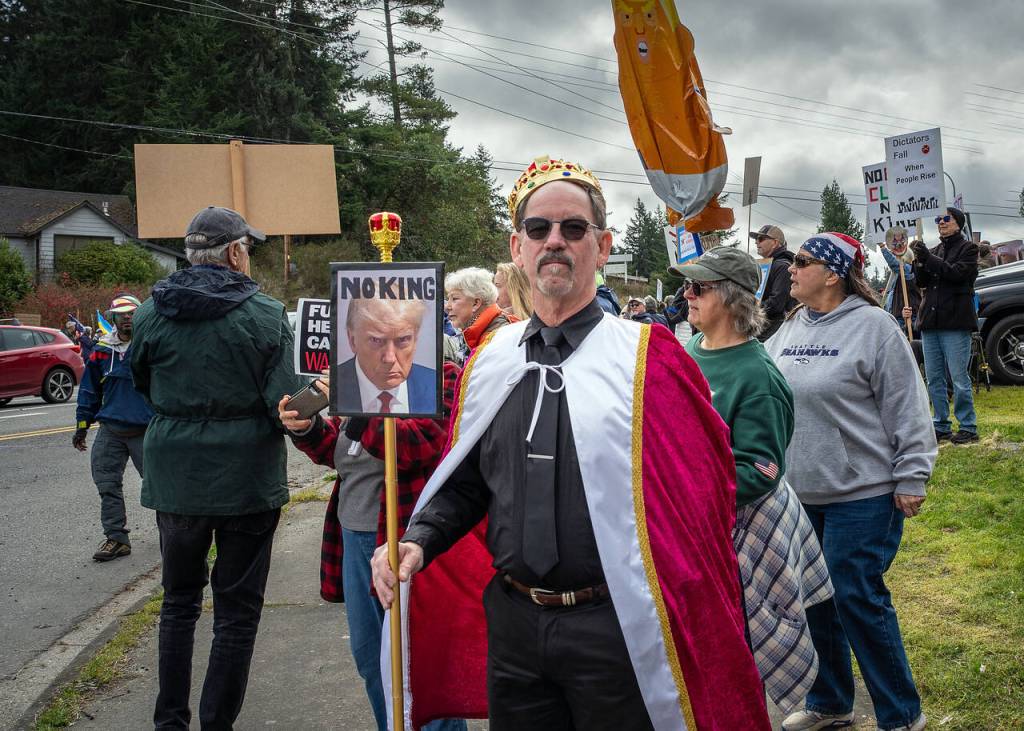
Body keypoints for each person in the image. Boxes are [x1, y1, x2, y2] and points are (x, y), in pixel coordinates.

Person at [371, 156, 770, 729]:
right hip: (515, 626)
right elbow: (469, 483)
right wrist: (418, 540)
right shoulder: (490, 362)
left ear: (602, 247)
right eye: (538, 228)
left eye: (574, 228)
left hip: (616, 629)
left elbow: (701, 498)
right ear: (518, 248)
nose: (554, 240)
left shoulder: (650, 359)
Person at [130, 205, 300, 729]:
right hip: (246, 478)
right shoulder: (266, 314)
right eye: (247, 248)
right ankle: (216, 723)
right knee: (237, 611)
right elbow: (282, 402)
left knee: (178, 603)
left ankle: (170, 721)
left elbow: (142, 384)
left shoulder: (150, 313)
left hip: (176, 475)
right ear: (235, 254)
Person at [765, 232, 935, 731]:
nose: (791, 268)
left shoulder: (875, 327)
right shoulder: (791, 325)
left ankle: (902, 714)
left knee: (854, 596)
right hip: (800, 494)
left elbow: (908, 406)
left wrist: (913, 474)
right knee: (814, 599)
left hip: (864, 493)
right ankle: (831, 702)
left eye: (802, 261)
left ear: (833, 273)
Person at [678, 247, 832, 714]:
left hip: (738, 533)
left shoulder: (759, 377)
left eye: (698, 287)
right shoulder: (690, 350)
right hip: (694, 530)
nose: (687, 295)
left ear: (731, 298)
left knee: (738, 652)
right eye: (687, 286)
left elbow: (761, 470)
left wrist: (687, 488)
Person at [278, 371, 466, 731]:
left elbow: (418, 446)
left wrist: (358, 403)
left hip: (407, 538)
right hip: (354, 537)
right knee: (372, 661)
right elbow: (340, 453)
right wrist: (307, 428)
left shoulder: (439, 377)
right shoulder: (364, 378)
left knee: (421, 665)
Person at [73, 294, 152, 562]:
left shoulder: (152, 346)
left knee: (160, 487)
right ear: (113, 318)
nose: (127, 317)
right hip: (111, 430)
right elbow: (88, 390)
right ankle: (116, 539)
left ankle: (176, 537)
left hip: (147, 430)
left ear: (142, 315)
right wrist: (82, 425)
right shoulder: (102, 349)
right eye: (121, 314)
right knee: (107, 485)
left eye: (132, 313)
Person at [911, 206, 980, 444]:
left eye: (946, 218)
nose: (941, 222)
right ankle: (940, 424)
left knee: (959, 378)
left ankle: (968, 426)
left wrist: (928, 258)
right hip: (931, 322)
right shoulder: (934, 250)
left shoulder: (969, 249)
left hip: (955, 322)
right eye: (938, 219)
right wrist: (919, 261)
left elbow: (956, 274)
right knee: (934, 378)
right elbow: (921, 282)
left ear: (958, 223)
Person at [337, 298, 436, 414]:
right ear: (352, 340)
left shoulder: (437, 387)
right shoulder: (331, 388)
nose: (390, 359)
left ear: (416, 340)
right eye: (376, 340)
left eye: (403, 340)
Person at [444, 267, 515, 364]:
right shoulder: (488, 327)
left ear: (476, 303)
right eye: (448, 299)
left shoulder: (497, 337)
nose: (447, 306)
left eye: (454, 299)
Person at [750, 224, 797, 340]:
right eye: (756, 239)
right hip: (761, 326)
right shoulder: (766, 265)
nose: (756, 242)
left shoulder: (783, 266)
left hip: (774, 331)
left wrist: (748, 309)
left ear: (775, 243)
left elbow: (776, 304)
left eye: (761, 239)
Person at [879, 226, 921, 336]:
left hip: (908, 318)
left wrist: (883, 247)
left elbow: (894, 264)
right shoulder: (898, 275)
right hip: (898, 316)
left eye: (896, 256)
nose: (894, 257)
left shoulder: (908, 270)